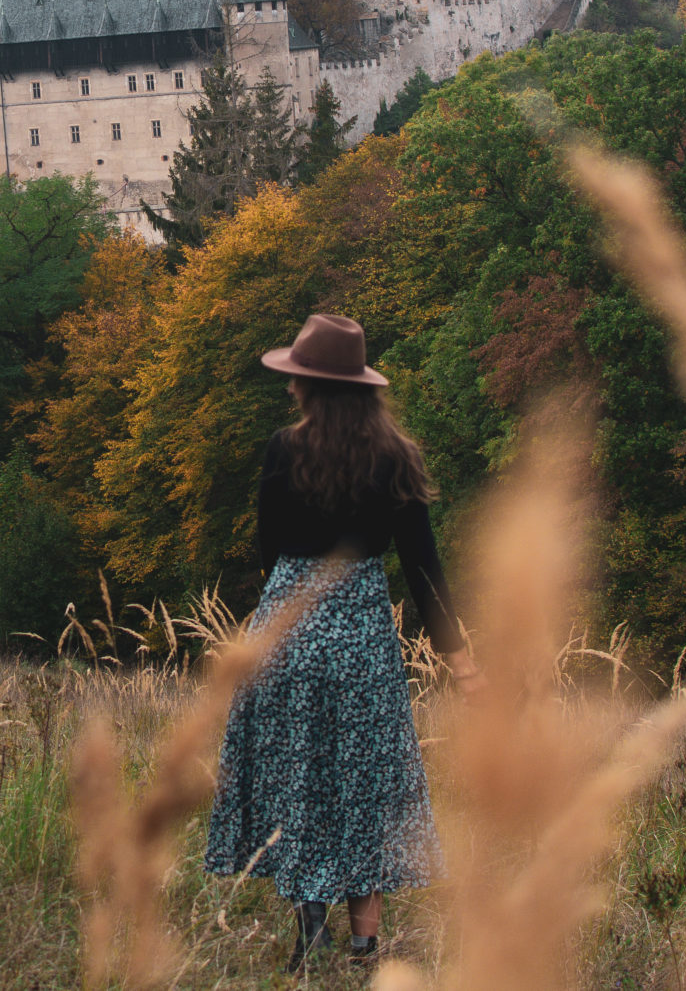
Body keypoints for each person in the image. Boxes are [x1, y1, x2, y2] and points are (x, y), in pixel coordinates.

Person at [203, 313, 461, 973]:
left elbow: (268, 546)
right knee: (365, 783)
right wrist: (460, 657)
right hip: (362, 638)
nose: (290, 390)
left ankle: (308, 933)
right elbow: (424, 565)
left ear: (310, 387)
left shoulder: (283, 450)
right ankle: (365, 947)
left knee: (300, 775)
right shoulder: (398, 457)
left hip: (288, 626)